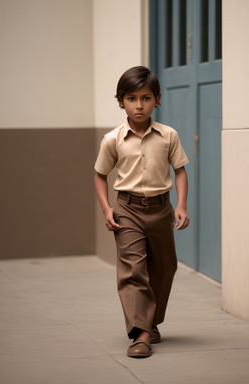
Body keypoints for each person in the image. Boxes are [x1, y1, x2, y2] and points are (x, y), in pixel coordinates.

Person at [94, 66, 189, 358]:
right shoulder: (112, 139)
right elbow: (100, 175)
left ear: (157, 100)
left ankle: (151, 320)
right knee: (134, 272)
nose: (139, 105)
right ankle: (140, 334)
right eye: (132, 98)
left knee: (164, 269)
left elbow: (180, 171)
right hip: (127, 210)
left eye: (146, 98)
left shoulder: (168, 135)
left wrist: (181, 205)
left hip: (162, 209)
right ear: (121, 101)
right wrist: (107, 208)